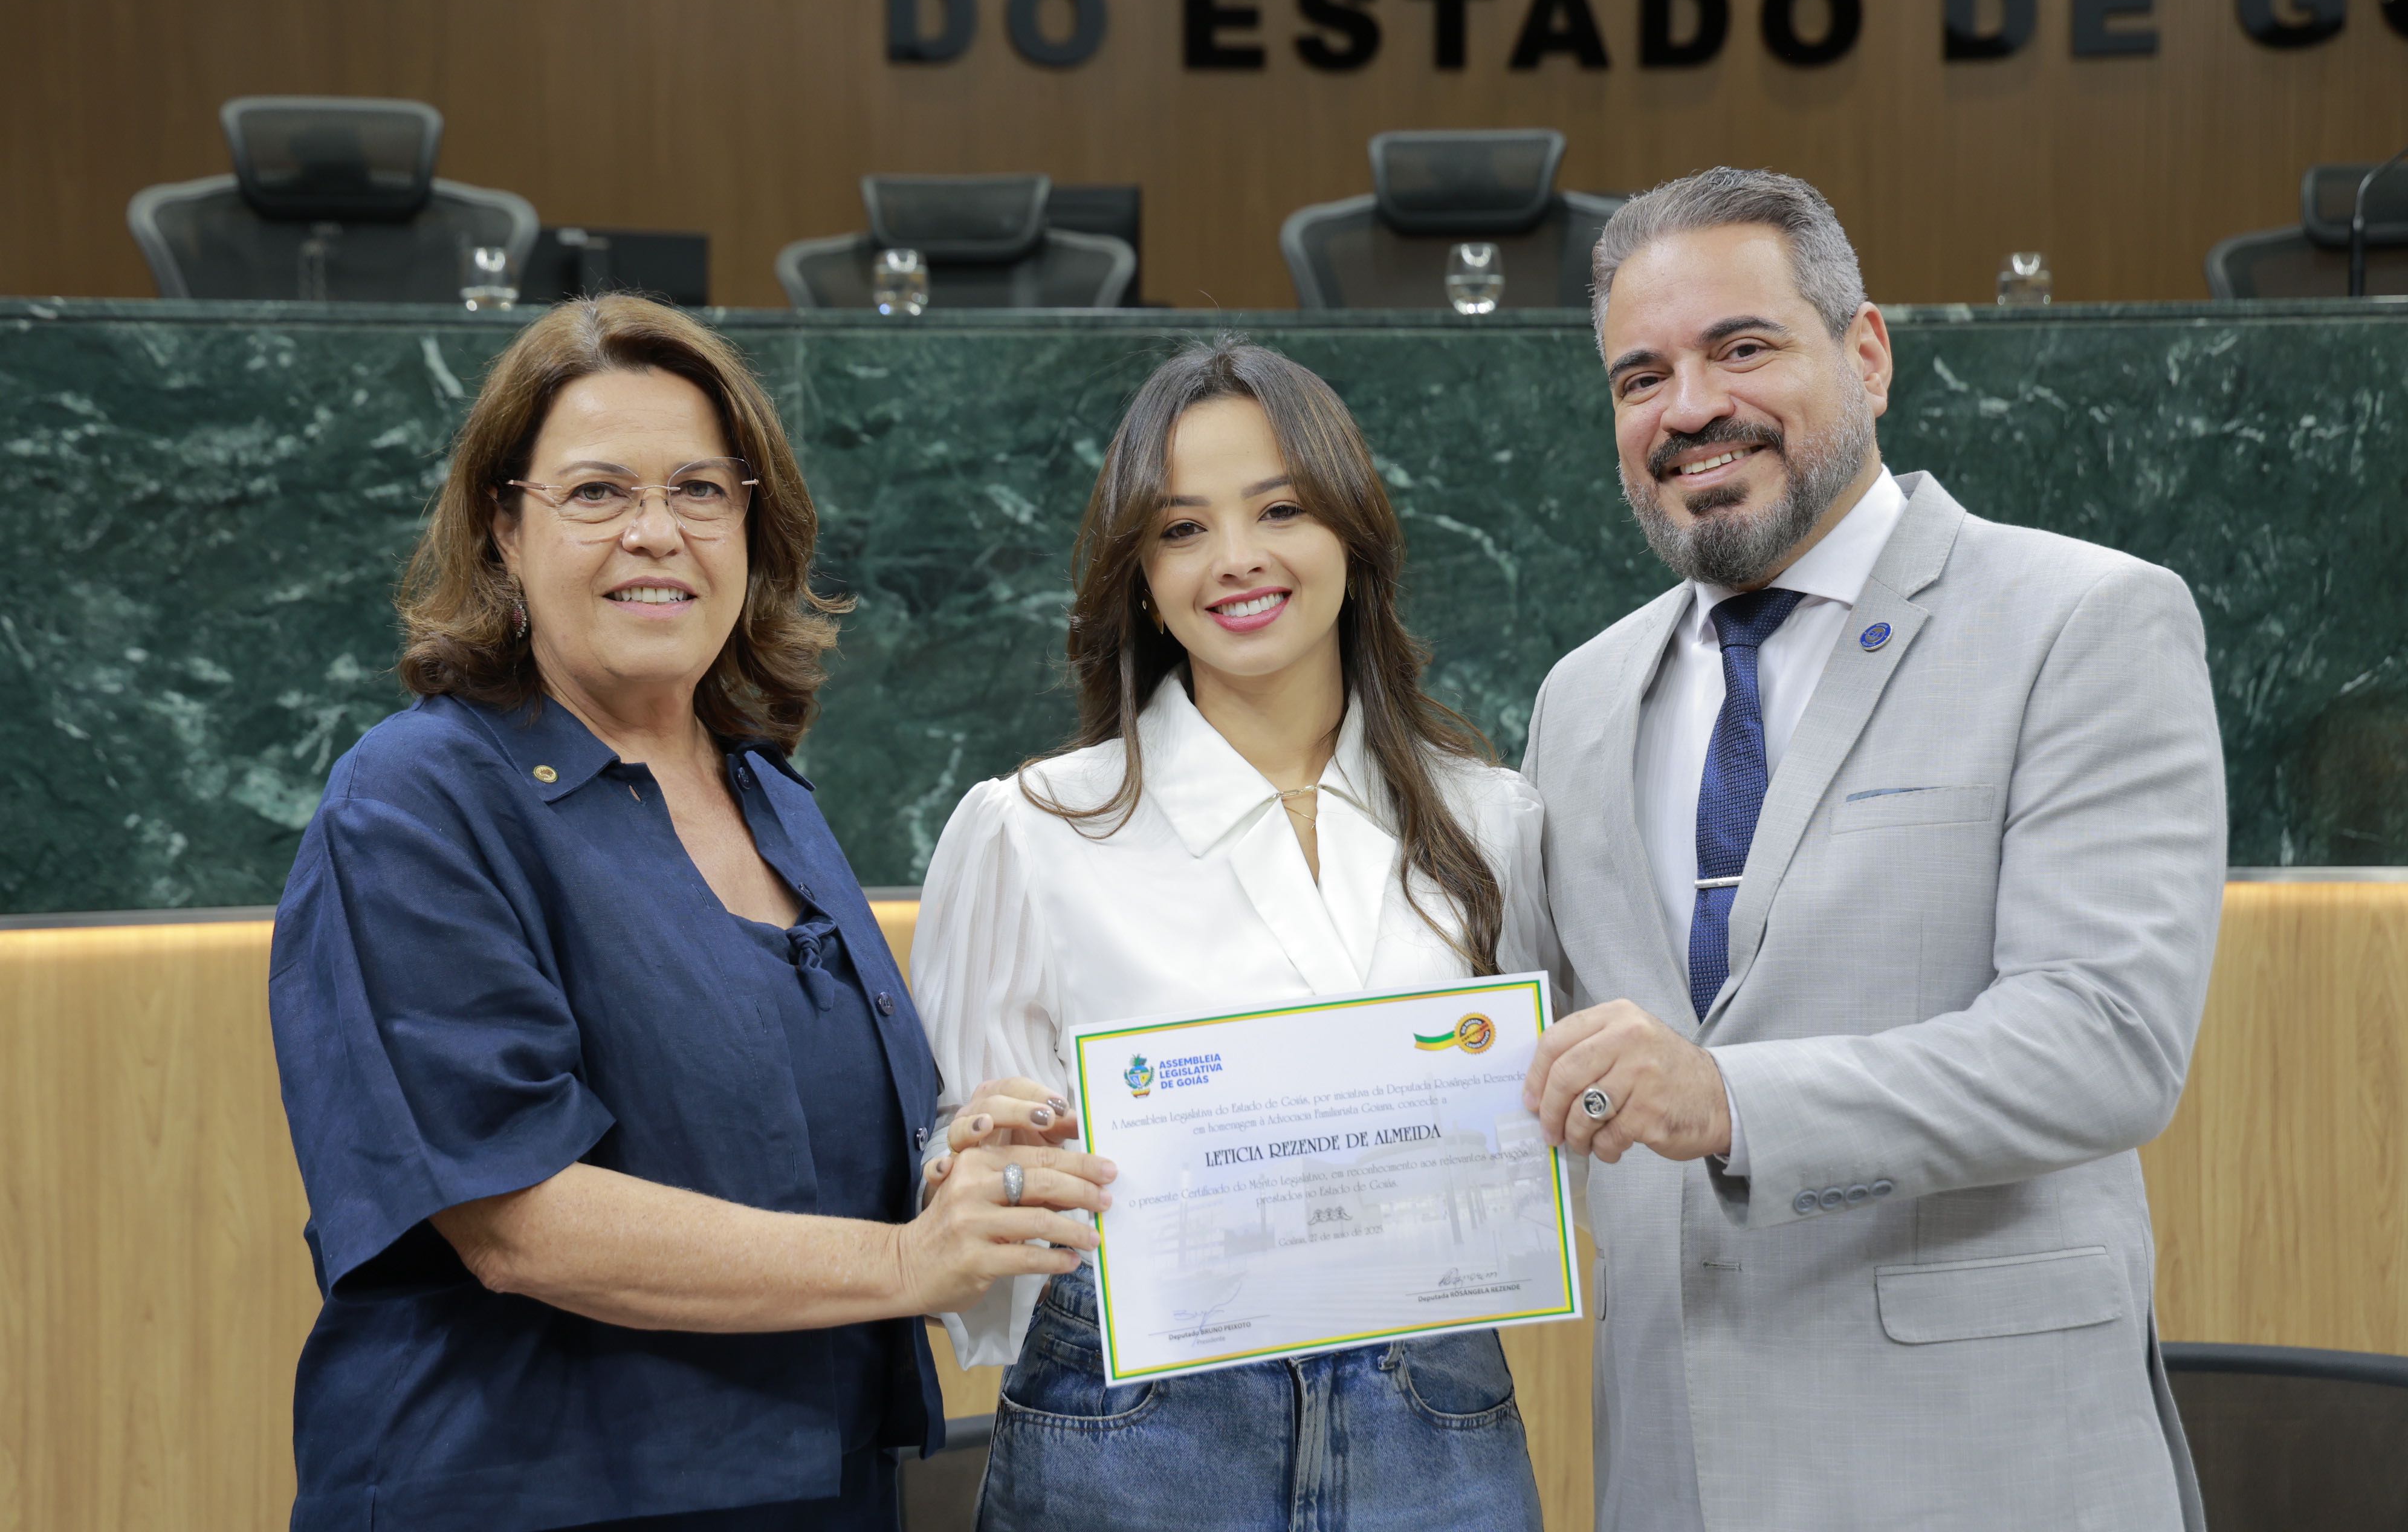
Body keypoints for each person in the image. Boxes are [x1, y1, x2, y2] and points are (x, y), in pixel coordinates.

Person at [268, 296, 1113, 1532]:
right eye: (597, 492)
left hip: (823, 1486)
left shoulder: (767, 792)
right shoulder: (414, 799)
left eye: (701, 491)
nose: (656, 532)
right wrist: (905, 1261)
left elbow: (788, 1151)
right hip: (525, 1497)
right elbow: (517, 1218)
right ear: (504, 527)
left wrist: (953, 1161)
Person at [1519, 169, 2222, 1531]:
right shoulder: (1580, 696)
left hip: (1986, 1471)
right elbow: (1529, 1058)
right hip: (1675, 1474)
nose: (1688, 408)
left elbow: (2105, 1040)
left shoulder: (2085, 621)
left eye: (1741, 348)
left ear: (1869, 354)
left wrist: (1730, 1099)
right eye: (1640, 377)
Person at [909, 337, 1551, 1532]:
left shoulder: (1494, 820)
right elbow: (964, 1175)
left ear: (1354, 534)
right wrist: (983, 1156)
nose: (1237, 557)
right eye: (1183, 528)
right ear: (1141, 575)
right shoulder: (1033, 830)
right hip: (1140, 1434)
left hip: (1433, 1412)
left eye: (1280, 510)